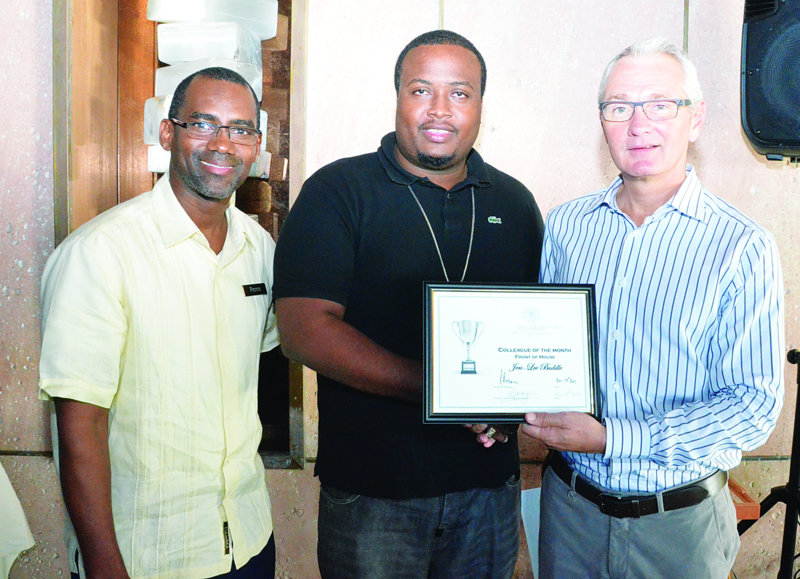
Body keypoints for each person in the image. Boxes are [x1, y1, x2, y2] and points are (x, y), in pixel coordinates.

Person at [492, 38, 784, 578]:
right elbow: (540, 351)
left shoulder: (742, 246)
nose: (637, 123)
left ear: (694, 120)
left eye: (660, 104)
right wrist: (498, 405)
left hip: (679, 526)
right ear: (602, 121)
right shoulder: (567, 225)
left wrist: (614, 438)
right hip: (569, 512)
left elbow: (752, 406)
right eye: (619, 107)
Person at [273, 30, 543, 578]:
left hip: (488, 491)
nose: (439, 110)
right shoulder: (338, 191)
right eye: (421, 90)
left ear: (480, 107)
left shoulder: (515, 203)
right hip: (375, 495)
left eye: (460, 93)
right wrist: (440, 387)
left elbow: (534, 331)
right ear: (397, 96)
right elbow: (303, 330)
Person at [39, 67, 279, 578]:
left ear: (256, 145)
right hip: (148, 555)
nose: (222, 144)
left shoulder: (260, 250)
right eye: (203, 124)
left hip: (249, 541)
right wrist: (105, 566)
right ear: (168, 133)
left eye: (240, 129)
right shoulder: (99, 254)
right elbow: (79, 423)